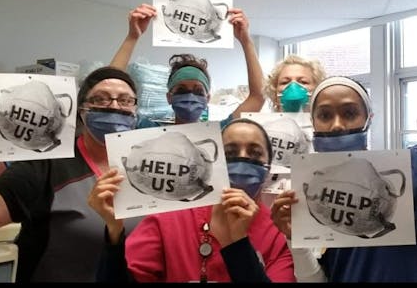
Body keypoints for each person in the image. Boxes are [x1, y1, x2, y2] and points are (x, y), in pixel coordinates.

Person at [0, 67, 143, 282]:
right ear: (81, 110)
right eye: (101, 99)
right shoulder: (49, 163)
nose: (115, 107)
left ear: (136, 110)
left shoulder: (147, 163)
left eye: (125, 100)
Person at [269, 76, 417, 282]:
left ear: (368, 118)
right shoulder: (306, 192)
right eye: (325, 115)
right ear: (313, 123)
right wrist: (294, 239)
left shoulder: (413, 166)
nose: (337, 125)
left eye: (350, 113)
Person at [89, 118, 295, 282]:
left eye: (255, 153)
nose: (242, 158)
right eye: (230, 152)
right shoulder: (171, 217)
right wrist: (114, 232)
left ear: (269, 166)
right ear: (213, 162)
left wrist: (238, 243)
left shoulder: (278, 231)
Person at [110, 4, 265, 128]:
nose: (190, 97)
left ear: (207, 98)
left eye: (198, 91)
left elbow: (258, 97)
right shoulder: (146, 130)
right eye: (181, 90)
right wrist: (132, 37)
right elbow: (108, 88)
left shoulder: (219, 134)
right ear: (169, 97)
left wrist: (246, 40)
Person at [259, 54, 327, 207]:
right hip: (266, 210)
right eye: (285, 82)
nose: (293, 87)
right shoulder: (260, 130)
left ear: (317, 90)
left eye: (303, 81)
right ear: (275, 92)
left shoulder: (326, 135)